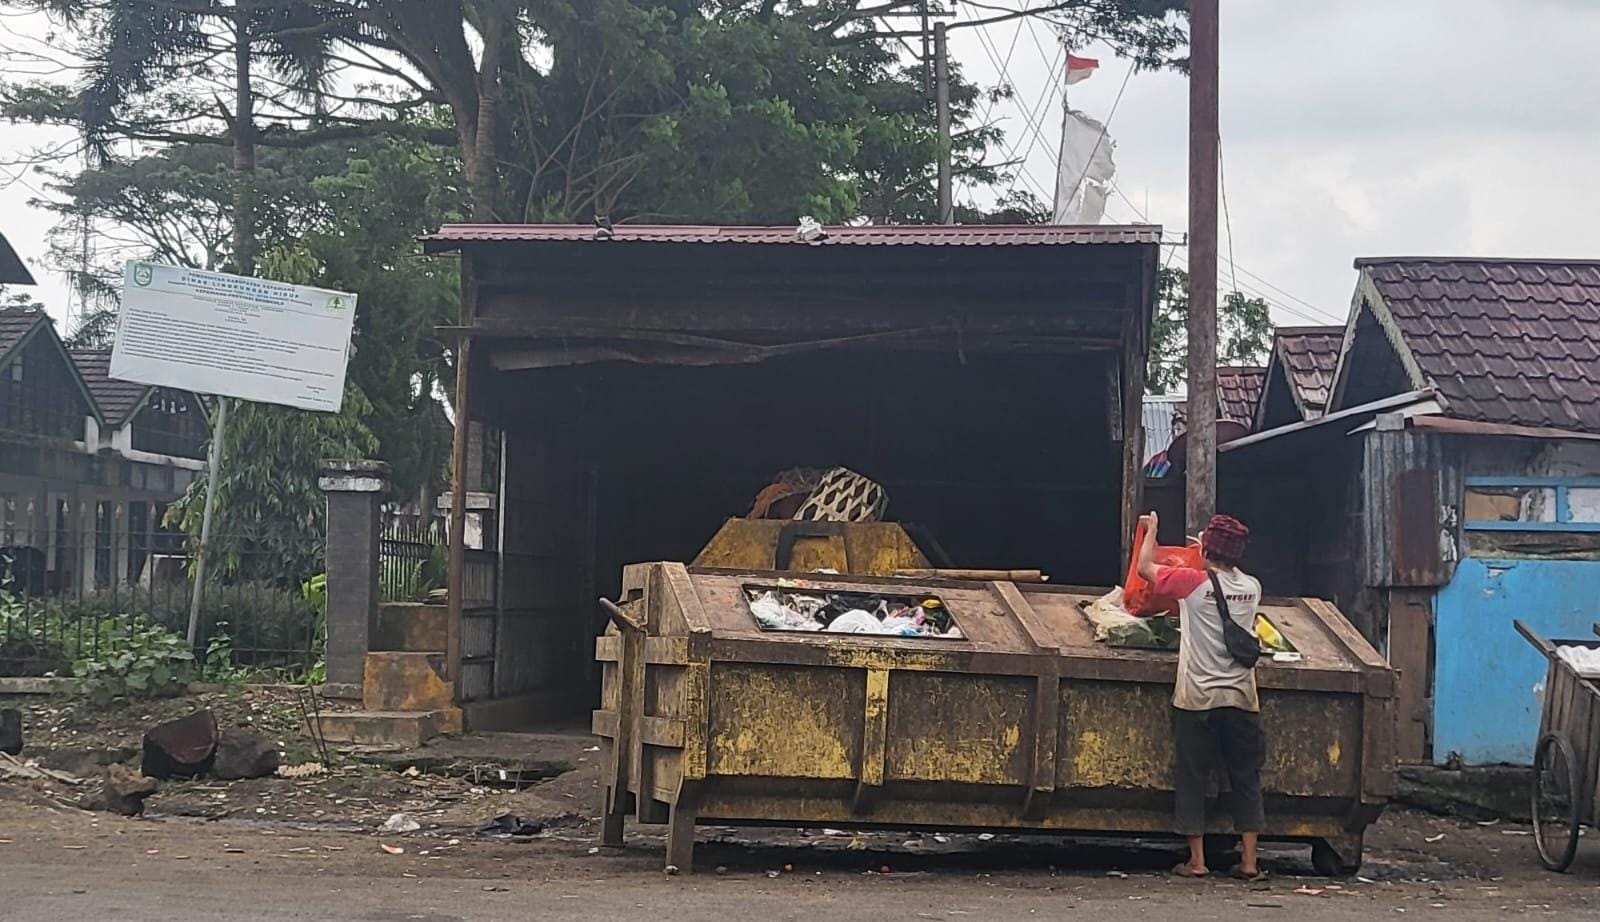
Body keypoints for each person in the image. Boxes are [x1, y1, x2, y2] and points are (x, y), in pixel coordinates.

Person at [1135, 510, 1266, 881]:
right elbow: (1226, 582)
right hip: (1241, 697)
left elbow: (1146, 568)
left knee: (1193, 776)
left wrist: (1153, 531)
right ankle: (1250, 862)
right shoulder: (1252, 588)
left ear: (1206, 548)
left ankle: (1197, 861)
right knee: (1245, 776)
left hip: (1198, 697)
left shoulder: (1191, 584)